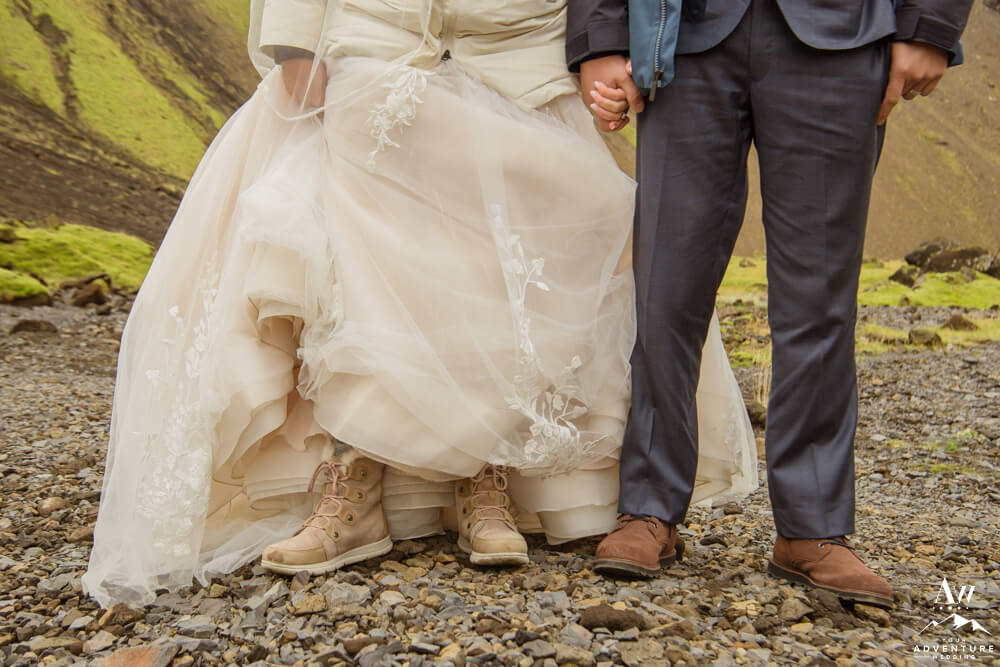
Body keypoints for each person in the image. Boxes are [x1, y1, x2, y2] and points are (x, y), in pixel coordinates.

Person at [81, 0, 758, 608]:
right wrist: (294, 42)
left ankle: (484, 470)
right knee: (349, 247)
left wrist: (600, 45)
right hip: (376, 35)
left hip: (522, 48)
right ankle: (355, 481)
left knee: (515, 253)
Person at [570, 0, 972, 606]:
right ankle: (648, 506)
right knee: (664, 291)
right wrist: (600, 37)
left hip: (841, 40)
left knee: (819, 302)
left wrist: (931, 26)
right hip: (684, 40)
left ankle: (812, 527)